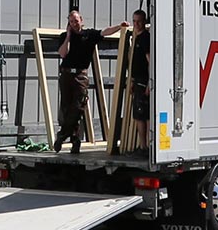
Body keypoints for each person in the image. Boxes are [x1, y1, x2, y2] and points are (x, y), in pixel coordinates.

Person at [55, 10, 129, 154]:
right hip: (66, 74)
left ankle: (63, 134)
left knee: (78, 106)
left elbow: (105, 32)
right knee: (67, 107)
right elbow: (63, 53)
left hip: (80, 75)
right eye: (71, 22)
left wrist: (120, 27)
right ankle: (75, 139)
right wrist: (68, 36)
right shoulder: (65, 37)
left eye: (76, 21)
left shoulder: (89, 34)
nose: (74, 24)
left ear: (81, 20)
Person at [125, 9, 153, 155]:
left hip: (144, 81)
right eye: (134, 21)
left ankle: (145, 147)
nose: (136, 24)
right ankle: (143, 146)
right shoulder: (136, 37)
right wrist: (132, 81)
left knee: (143, 116)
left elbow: (150, 61)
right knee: (139, 116)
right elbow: (135, 63)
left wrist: (150, 82)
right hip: (138, 81)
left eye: (139, 21)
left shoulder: (145, 38)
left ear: (144, 21)